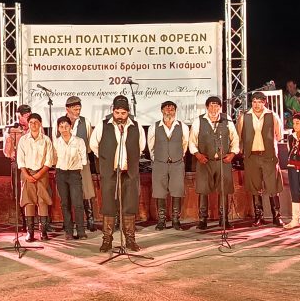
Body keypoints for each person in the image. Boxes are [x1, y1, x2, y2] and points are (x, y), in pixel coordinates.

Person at [90, 95, 147, 251]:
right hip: (110, 173)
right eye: (117, 113)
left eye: (123, 113)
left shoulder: (136, 126)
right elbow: (94, 145)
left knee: (129, 205)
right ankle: (107, 240)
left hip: (129, 173)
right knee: (109, 205)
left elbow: (141, 146)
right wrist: (106, 159)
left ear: (128, 112)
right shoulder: (103, 125)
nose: (120, 116)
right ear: (113, 111)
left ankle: (130, 240)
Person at [188, 96, 239, 230]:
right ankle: (202, 219)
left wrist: (232, 154)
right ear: (207, 107)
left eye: (216, 106)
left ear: (220, 107)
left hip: (223, 161)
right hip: (205, 161)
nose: (214, 108)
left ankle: (224, 219)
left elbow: (235, 139)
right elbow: (192, 141)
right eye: (211, 105)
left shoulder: (227, 120)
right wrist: (198, 155)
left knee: (224, 190)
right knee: (203, 189)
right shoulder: (199, 121)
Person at [237, 92, 284, 227]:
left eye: (259, 102)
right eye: (254, 102)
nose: (256, 105)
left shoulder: (272, 116)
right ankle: (259, 216)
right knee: (254, 186)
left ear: (264, 102)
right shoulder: (244, 116)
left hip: (268, 156)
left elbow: (279, 135)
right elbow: (239, 136)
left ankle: (276, 216)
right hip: (252, 156)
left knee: (272, 186)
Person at [58, 96, 98, 233]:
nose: (78, 111)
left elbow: (91, 142)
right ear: (67, 109)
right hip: (65, 165)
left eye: (79, 109)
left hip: (82, 162)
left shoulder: (85, 122)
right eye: (75, 109)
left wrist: (83, 157)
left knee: (86, 190)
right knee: (68, 193)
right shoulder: (61, 123)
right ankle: (68, 222)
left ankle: (90, 220)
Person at [147, 100, 189, 230]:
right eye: (166, 109)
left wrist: (177, 156)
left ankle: (176, 220)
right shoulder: (154, 127)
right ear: (162, 111)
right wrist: (158, 159)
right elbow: (151, 145)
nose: (169, 111)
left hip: (177, 163)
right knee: (160, 192)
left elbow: (185, 144)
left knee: (177, 191)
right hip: (160, 163)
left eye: (172, 109)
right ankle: (161, 220)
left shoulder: (183, 126)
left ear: (175, 111)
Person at [16, 112, 55, 242]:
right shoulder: (23, 140)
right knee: (29, 201)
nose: (33, 125)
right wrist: (26, 175)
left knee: (42, 200)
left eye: (36, 122)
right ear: (28, 124)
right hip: (27, 173)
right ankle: (30, 232)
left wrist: (39, 174)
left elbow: (49, 160)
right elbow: (20, 159)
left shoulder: (46, 140)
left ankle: (43, 231)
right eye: (31, 122)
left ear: (40, 124)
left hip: (41, 173)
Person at [53, 115, 88, 239]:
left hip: (74, 174)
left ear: (70, 127)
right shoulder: (56, 142)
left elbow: (83, 159)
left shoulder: (78, 141)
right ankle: (68, 231)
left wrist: (78, 167)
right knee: (65, 203)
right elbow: (54, 158)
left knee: (77, 203)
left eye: (66, 126)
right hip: (61, 174)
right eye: (61, 127)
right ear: (58, 128)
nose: (64, 129)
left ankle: (81, 231)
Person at [4, 104, 31, 232]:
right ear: (19, 116)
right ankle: (25, 221)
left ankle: (42, 222)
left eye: (29, 115)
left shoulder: (35, 126)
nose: (28, 118)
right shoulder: (12, 130)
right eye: (25, 116)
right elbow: (7, 152)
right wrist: (10, 139)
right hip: (19, 163)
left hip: (33, 164)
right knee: (19, 192)